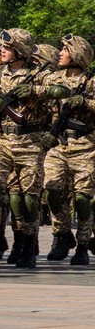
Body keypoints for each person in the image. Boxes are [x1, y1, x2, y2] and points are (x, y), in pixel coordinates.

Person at [0, 28, 62, 268]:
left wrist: (36, 90)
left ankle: (25, 243)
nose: (2, 51)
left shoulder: (39, 74)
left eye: (7, 47)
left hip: (31, 142)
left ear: (20, 51)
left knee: (26, 200)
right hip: (2, 141)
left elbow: (62, 89)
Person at [42, 34, 94, 265]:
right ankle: (61, 234)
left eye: (64, 49)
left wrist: (85, 103)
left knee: (83, 199)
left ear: (76, 55)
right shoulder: (53, 78)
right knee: (51, 189)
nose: (59, 53)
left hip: (85, 145)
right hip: (59, 144)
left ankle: (82, 245)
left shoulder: (91, 81)